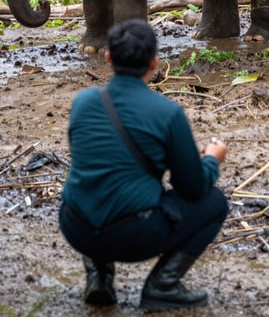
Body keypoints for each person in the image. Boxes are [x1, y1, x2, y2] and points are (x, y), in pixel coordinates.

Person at [59, 18, 229, 312]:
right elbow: (191, 187)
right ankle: (162, 285)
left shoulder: (82, 103)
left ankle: (99, 275)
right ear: (155, 63)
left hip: (76, 227)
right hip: (133, 235)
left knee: (99, 185)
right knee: (214, 202)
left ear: (108, 58)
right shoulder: (168, 112)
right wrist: (212, 159)